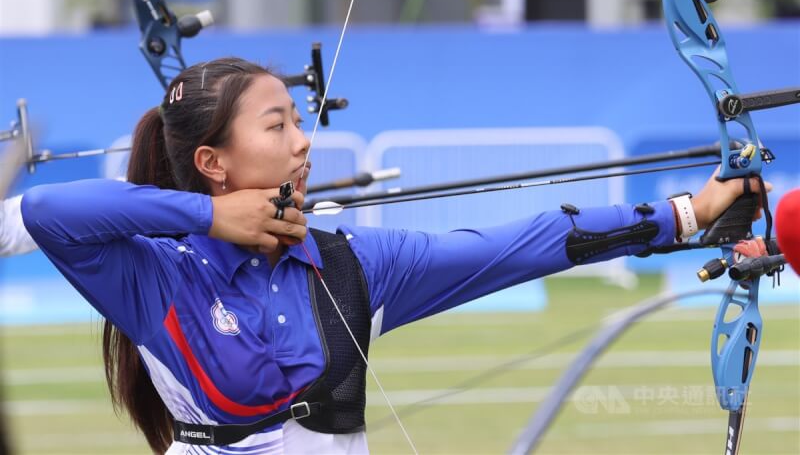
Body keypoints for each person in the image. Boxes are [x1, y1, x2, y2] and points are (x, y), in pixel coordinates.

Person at [20, 57, 766, 454]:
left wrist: (687, 214)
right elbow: (51, 210)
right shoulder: (156, 272)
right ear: (214, 163)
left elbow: (517, 245)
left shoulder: (353, 262)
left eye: (298, 122)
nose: (303, 141)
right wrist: (211, 217)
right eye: (277, 126)